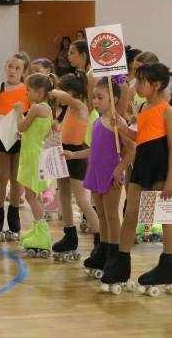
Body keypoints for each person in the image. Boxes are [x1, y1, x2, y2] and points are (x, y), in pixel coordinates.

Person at [101, 63, 172, 294]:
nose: (137, 85)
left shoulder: (167, 110)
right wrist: (122, 127)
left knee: (164, 216)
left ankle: (168, 264)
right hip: (142, 165)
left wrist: (170, 180)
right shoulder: (142, 106)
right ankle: (121, 263)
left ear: (157, 85)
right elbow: (140, 136)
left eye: (141, 81)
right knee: (131, 213)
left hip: (161, 168)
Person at [70, 79, 135, 278]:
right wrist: (74, 155)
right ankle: (104, 251)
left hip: (111, 174)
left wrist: (119, 170)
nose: (95, 101)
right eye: (94, 97)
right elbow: (94, 150)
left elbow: (131, 150)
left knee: (112, 215)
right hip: (95, 171)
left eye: (100, 97)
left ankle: (114, 255)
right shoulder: (97, 120)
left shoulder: (118, 122)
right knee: (102, 215)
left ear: (113, 99)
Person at [50, 72, 100, 260]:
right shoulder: (69, 109)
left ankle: (100, 239)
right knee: (63, 194)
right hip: (63, 152)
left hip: (76, 154)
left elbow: (62, 96)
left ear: (71, 92)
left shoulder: (80, 107)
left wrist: (50, 88)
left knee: (81, 200)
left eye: (63, 91)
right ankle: (69, 234)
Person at [0, 53, 30, 242]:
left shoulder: (27, 90)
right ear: (5, 67)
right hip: (2, 136)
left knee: (17, 177)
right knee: (2, 177)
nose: (13, 70)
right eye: (10, 66)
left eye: (17, 68)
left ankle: (14, 217)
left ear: (24, 71)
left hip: (20, 136)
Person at [14, 73, 55, 258]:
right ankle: (37, 228)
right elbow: (44, 133)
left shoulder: (36, 108)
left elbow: (21, 127)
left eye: (28, 90)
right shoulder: (48, 109)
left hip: (32, 156)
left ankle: (42, 233)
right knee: (33, 194)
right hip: (36, 153)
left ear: (39, 91)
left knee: (31, 195)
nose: (26, 94)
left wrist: (18, 111)